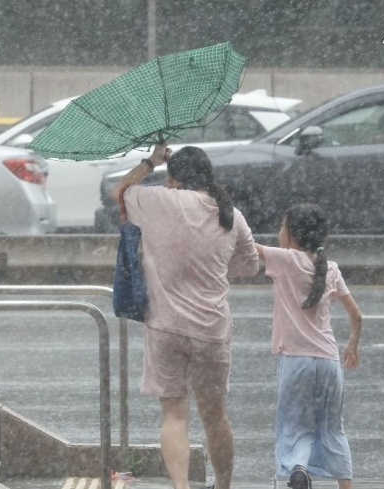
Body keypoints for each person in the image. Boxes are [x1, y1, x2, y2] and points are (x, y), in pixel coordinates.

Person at [110, 143, 259, 489]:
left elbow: (118, 192)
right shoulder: (232, 215)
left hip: (166, 328)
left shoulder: (159, 201)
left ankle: (182, 487)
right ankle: (222, 485)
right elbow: (249, 266)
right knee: (215, 415)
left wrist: (151, 161)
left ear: (174, 179)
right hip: (212, 330)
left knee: (174, 414)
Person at [253, 204, 362, 489]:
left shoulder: (286, 259)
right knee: (333, 428)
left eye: (282, 226)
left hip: (296, 361)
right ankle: (345, 485)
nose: (279, 232)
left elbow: (246, 246)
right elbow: (356, 315)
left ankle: (298, 469)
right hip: (329, 361)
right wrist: (351, 345)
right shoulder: (331, 268)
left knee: (294, 425)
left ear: (292, 235)